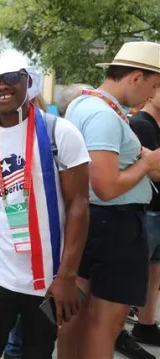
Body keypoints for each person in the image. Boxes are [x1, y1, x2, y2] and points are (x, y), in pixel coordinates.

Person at [0, 49, 91, 359]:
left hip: (47, 281)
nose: (2, 86)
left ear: (30, 81)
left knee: (37, 352)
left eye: (12, 78)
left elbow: (79, 206)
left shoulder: (59, 132)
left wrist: (67, 276)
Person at [61, 41, 160, 359]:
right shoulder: (103, 115)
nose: (151, 96)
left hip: (96, 220)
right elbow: (105, 185)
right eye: (153, 86)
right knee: (106, 323)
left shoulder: (83, 104)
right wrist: (147, 163)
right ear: (135, 77)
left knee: (77, 319)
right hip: (115, 224)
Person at [124, 86, 160, 354]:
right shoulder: (139, 124)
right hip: (146, 209)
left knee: (153, 272)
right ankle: (117, 331)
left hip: (155, 209)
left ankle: (146, 325)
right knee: (135, 274)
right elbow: (154, 172)